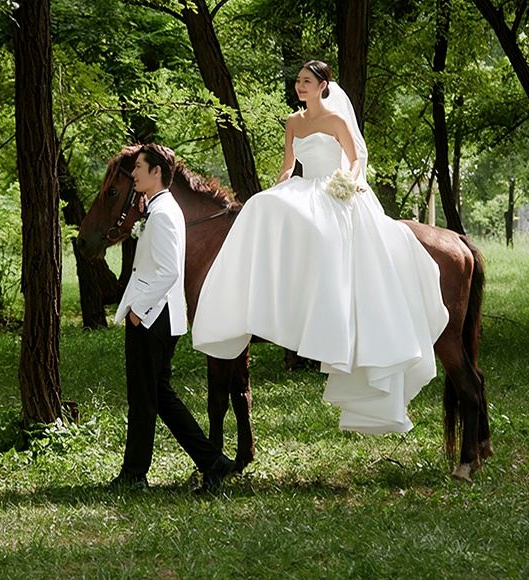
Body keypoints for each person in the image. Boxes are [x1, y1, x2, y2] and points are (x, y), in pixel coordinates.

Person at [192, 61, 449, 434]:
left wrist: (351, 180)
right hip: (304, 185)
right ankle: (259, 295)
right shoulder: (294, 122)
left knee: (322, 229)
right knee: (260, 206)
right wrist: (276, 187)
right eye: (298, 81)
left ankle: (328, 306)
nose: (300, 86)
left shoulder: (336, 122)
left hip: (333, 187)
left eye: (307, 81)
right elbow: (288, 165)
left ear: (323, 86)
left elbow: (356, 157)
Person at [109, 144, 237, 493]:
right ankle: (211, 463)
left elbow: (167, 271)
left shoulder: (163, 213)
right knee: (156, 395)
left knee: (147, 396)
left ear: (156, 172)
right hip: (157, 315)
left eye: (138, 167)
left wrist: (138, 310)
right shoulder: (158, 208)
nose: (133, 173)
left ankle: (137, 474)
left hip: (153, 316)